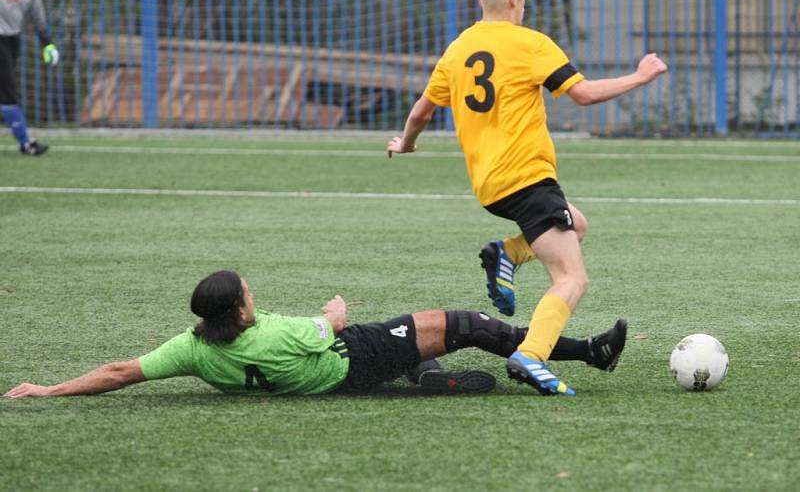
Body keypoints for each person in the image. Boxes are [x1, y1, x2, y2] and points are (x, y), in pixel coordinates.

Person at [387, 0, 666, 396]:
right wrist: (640, 76)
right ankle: (531, 354)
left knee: (578, 223)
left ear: (483, 1)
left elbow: (422, 110)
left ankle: (507, 253)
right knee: (572, 279)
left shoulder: (459, 48)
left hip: (491, 187)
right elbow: (584, 94)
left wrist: (406, 144)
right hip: (529, 179)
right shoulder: (531, 43)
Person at [3, 270, 627, 399]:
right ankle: (585, 353)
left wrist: (48, 390)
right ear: (241, 309)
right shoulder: (282, 336)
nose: (252, 294)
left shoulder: (192, 350)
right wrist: (333, 306)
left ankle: (423, 374)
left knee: (432, 338)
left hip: (320, 377)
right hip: (346, 358)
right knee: (469, 324)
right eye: (247, 291)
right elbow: (331, 324)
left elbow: (118, 373)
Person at [1, 0, 59, 156]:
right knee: (8, 91)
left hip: (13, 39)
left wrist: (48, 44)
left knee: (5, 91)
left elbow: (38, 17)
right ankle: (26, 143)